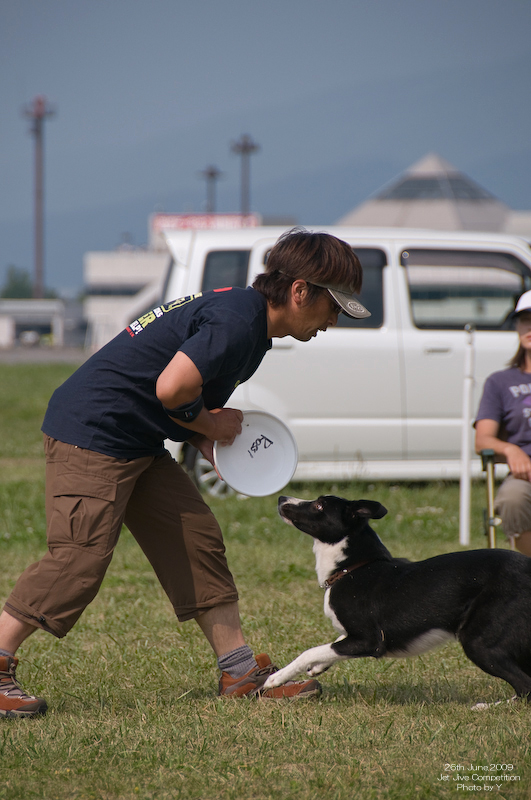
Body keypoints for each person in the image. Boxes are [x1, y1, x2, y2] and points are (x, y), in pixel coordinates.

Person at [0, 228, 369, 717]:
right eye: (334, 307)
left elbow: (185, 400)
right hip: (93, 432)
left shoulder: (251, 327)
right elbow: (172, 388)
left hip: (136, 439)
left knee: (195, 539)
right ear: (300, 292)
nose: (334, 322)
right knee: (79, 558)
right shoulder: (239, 320)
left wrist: (205, 436)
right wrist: (212, 424)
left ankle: (239, 672)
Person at [475, 289, 531, 557]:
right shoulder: (500, 382)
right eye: (524, 319)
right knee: (512, 498)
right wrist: (511, 449)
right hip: (524, 475)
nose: (530, 326)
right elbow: (482, 440)